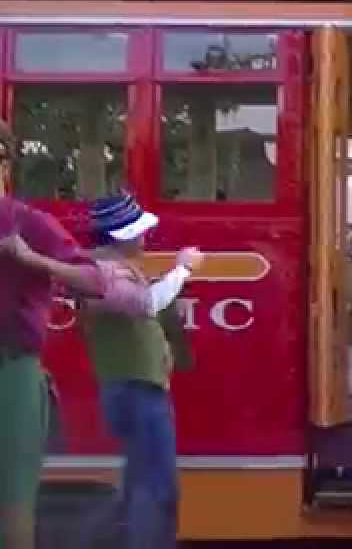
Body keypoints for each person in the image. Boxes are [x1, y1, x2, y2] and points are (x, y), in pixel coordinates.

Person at [0, 119, 105, 549]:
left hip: (8, 369)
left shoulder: (26, 222)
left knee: (12, 499)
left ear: (5, 166)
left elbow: (94, 281)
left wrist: (32, 260)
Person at [77, 193, 203, 549]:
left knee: (140, 483)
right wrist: (184, 267)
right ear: (122, 235)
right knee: (156, 487)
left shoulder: (109, 267)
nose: (145, 238)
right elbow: (148, 304)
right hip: (136, 389)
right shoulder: (102, 273)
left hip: (135, 387)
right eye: (139, 232)